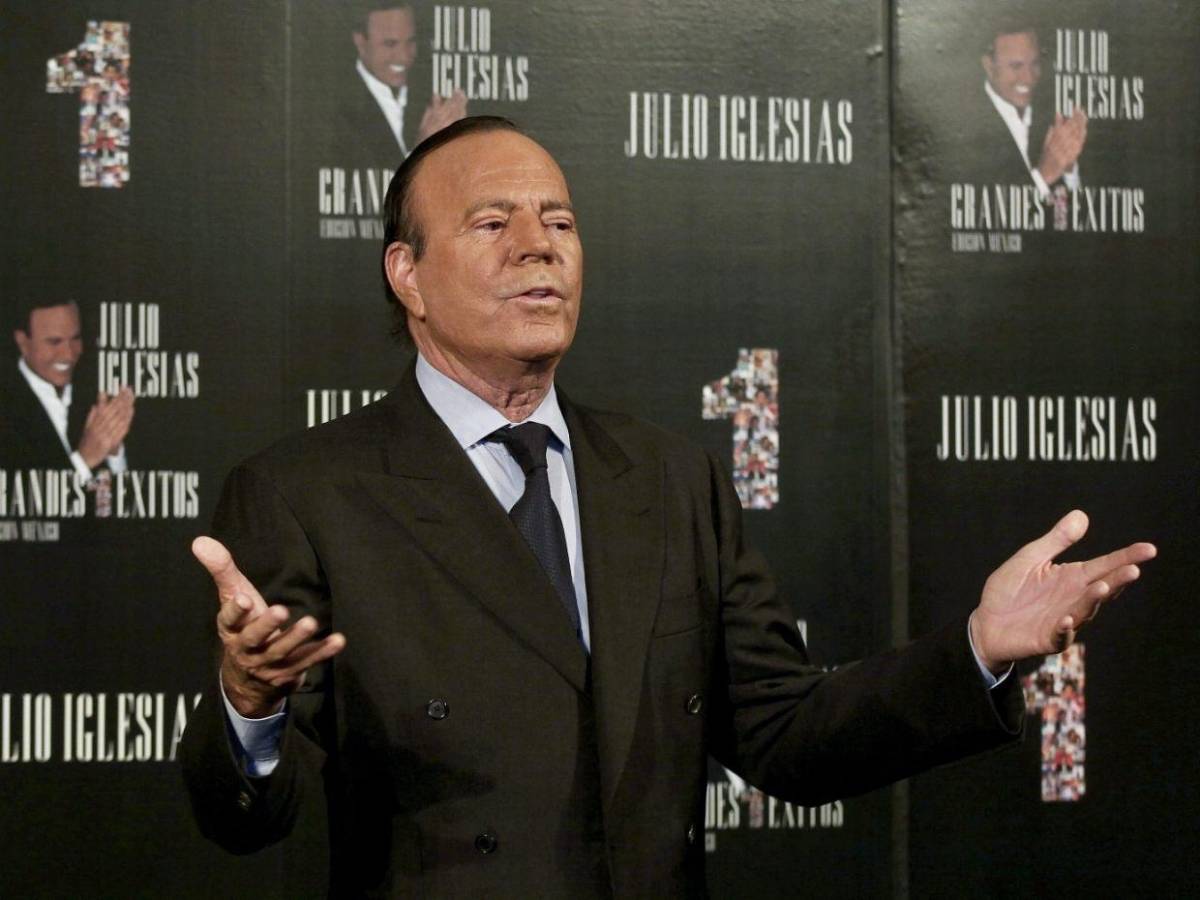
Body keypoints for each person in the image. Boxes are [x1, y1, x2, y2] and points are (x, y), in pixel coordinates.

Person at [180, 117, 1155, 896]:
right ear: (408, 276)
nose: (538, 247)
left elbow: (787, 733)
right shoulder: (307, 494)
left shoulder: (668, 479)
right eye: (493, 224)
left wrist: (978, 649)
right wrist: (250, 705)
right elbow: (243, 819)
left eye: (560, 223)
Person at [4, 299, 133, 476]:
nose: (69, 354)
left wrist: (113, 454)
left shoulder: (95, 395)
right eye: (54, 342)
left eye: (75, 338)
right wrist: (83, 461)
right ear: (23, 342)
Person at [964, 23, 1087, 198]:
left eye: (1035, 64)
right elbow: (981, 208)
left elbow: (1067, 212)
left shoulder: (1053, 119)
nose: (1029, 78)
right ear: (989, 67)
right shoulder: (964, 126)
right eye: (1016, 66)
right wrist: (1043, 177)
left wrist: (1068, 168)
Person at [343, 2, 467, 161]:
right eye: (390, 44)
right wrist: (422, 151)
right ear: (360, 42)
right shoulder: (331, 105)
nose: (404, 56)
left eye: (410, 41)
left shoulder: (433, 97)